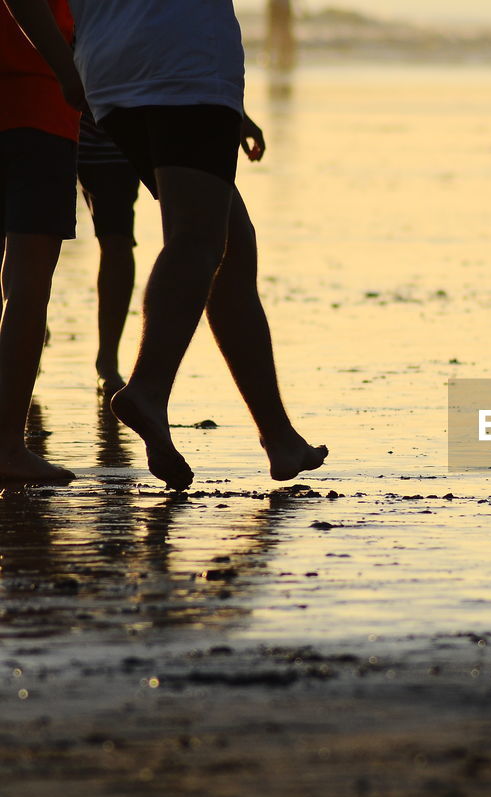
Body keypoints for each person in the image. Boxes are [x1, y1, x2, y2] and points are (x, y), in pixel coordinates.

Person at [7, 0, 327, 490]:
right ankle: (149, 390)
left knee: (229, 244)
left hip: (110, 69)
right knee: (198, 237)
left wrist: (68, 67)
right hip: (184, 61)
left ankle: (278, 436)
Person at [0, 0, 78, 482]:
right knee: (27, 289)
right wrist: (70, 71)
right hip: (39, 110)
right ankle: (8, 446)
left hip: (35, 110)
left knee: (20, 288)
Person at [76, 112, 140, 395]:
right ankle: (31, 324)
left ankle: (108, 360)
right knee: (30, 238)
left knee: (117, 241)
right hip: (45, 124)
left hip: (115, 132)